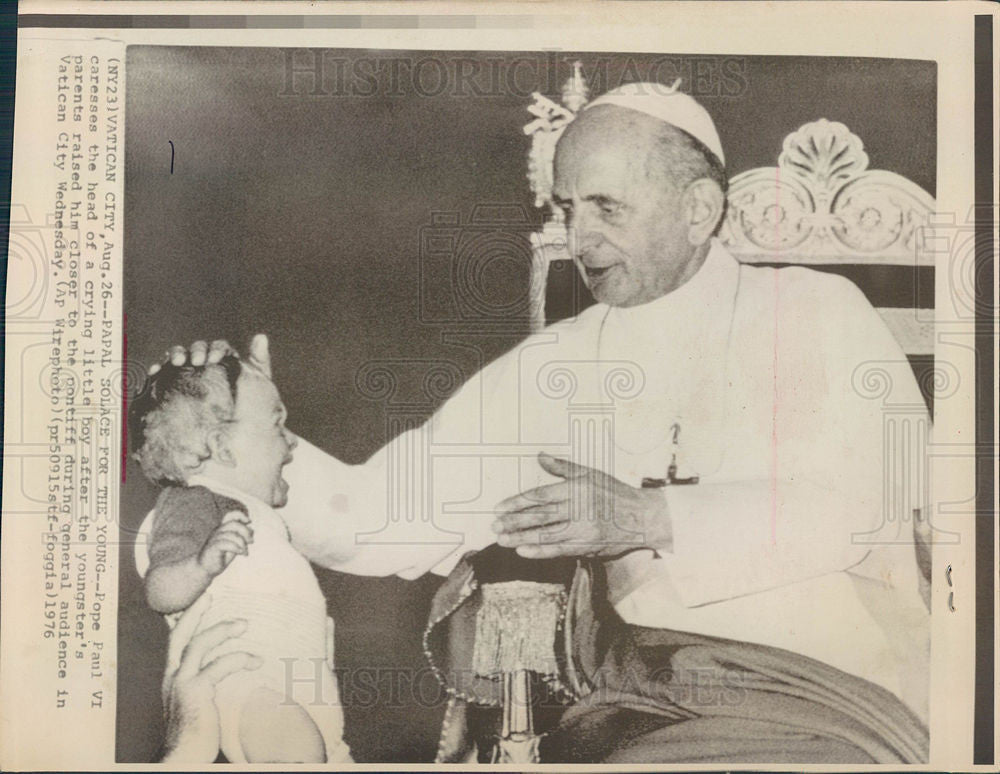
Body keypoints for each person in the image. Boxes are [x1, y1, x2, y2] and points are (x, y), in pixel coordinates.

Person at [156, 81, 930, 754]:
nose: (577, 237)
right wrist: (226, 430)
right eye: (566, 207)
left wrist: (647, 517)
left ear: (699, 210)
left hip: (829, 695)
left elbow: (867, 507)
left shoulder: (816, 311)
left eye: (605, 207)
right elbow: (379, 515)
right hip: (637, 706)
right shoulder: (558, 362)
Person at [131, 355, 351, 763]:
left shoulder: (259, 515)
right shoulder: (195, 500)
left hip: (305, 687)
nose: (293, 441)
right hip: (246, 680)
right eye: (276, 424)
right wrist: (201, 566)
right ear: (221, 449)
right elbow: (160, 591)